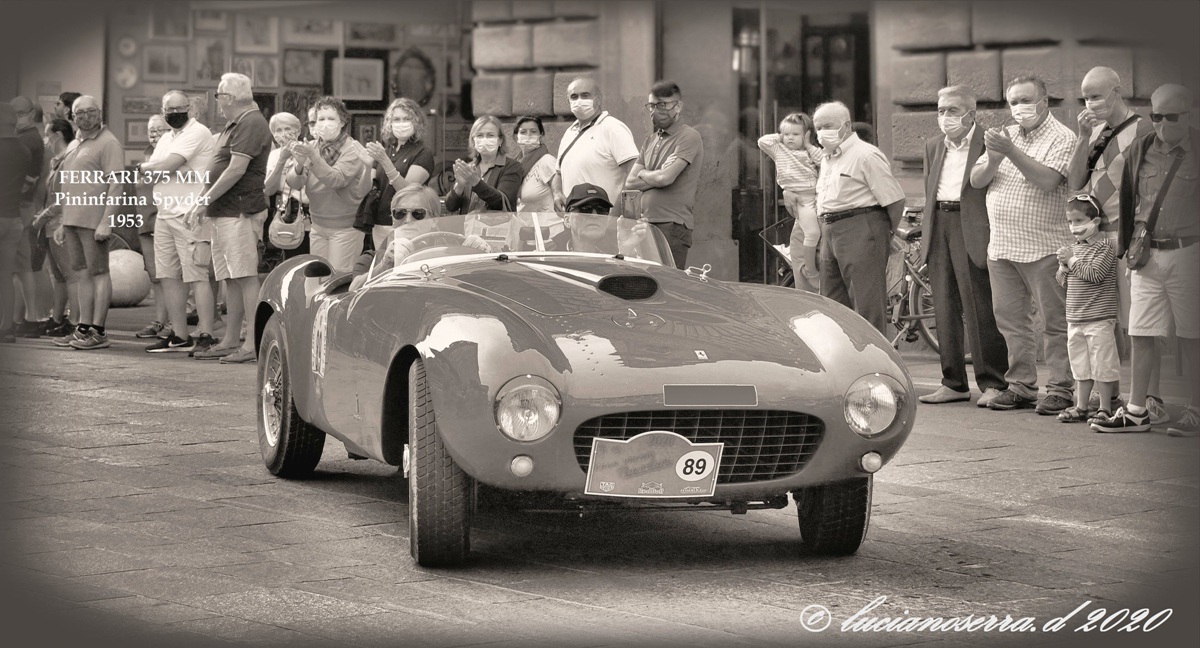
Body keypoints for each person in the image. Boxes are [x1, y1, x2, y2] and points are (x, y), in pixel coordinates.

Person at [1095, 84, 1200, 436]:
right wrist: (1126, 249)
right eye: (1156, 116)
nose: (1162, 124)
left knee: (1192, 335)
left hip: (1190, 252)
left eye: (1171, 117)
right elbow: (1128, 201)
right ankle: (1137, 410)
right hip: (1147, 254)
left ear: (1188, 115)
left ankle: (1196, 409)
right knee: (1140, 331)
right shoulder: (1141, 148)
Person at [969, 75, 1076, 414]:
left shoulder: (1063, 137)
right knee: (1011, 322)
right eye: (1013, 102)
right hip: (1003, 246)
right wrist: (995, 158)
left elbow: (1048, 181)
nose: (1019, 108)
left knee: (1055, 322)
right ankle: (1021, 386)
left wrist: (1010, 152)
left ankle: (1061, 388)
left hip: (1045, 246)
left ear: (1045, 101)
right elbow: (976, 180)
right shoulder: (1007, 135)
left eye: (1026, 100)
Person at [1065, 66, 1165, 424]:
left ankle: (1152, 397)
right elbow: (1074, 183)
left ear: (1116, 92)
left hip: (1128, 236)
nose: (1090, 103)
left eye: (1096, 96)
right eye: (1085, 98)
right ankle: (1114, 394)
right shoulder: (1095, 133)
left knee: (1138, 322)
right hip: (1097, 238)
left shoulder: (1144, 129)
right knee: (1106, 321)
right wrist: (1082, 138)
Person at [917, 86, 1009, 407]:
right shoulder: (933, 145)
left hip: (972, 226)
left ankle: (993, 382)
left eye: (952, 111)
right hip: (939, 224)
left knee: (979, 306)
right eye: (941, 110)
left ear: (971, 114)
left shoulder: (988, 141)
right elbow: (929, 189)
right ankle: (953, 382)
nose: (945, 117)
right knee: (943, 306)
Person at [184, 72, 272, 364]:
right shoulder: (236, 122)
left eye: (219, 96)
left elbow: (235, 169)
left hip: (240, 210)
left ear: (230, 98)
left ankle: (253, 343)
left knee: (244, 276)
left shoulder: (251, 122)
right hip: (224, 211)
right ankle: (231, 339)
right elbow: (220, 168)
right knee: (230, 279)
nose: (218, 102)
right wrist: (202, 203)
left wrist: (203, 202)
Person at [811, 100, 906, 334]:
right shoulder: (827, 158)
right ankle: (843, 353)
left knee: (866, 302)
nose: (822, 132)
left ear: (846, 125)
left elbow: (894, 200)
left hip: (860, 225)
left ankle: (872, 354)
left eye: (827, 126)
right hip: (830, 229)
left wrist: (885, 233)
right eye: (818, 127)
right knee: (832, 302)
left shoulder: (865, 155)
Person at [142, 90, 219, 356]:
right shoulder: (166, 138)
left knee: (197, 275)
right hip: (164, 213)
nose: (174, 113)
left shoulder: (197, 132)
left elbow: (163, 168)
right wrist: (165, 168)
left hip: (190, 214)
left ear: (190, 109)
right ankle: (179, 335)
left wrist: (161, 168)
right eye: (169, 110)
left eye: (179, 108)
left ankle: (206, 334)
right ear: (163, 111)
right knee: (168, 276)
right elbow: (154, 173)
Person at [48, 95, 123, 350]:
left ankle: (98, 331)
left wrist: (107, 221)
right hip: (72, 220)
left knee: (99, 273)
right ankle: (82, 328)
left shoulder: (108, 143)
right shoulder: (75, 143)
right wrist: (63, 222)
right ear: (72, 116)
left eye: (91, 111)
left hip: (94, 222)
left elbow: (116, 184)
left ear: (100, 113)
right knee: (81, 274)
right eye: (80, 113)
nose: (86, 117)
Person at [1053, 195, 1119, 425]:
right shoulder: (1074, 249)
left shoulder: (1105, 247)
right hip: (1075, 318)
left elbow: (1095, 275)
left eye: (1079, 221)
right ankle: (1081, 406)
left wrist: (1071, 261)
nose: (1074, 227)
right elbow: (1062, 281)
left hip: (1099, 318)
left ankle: (1105, 407)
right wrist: (1063, 266)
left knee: (1103, 364)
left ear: (1095, 221)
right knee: (1080, 365)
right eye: (1070, 222)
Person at [285, 95, 370, 273]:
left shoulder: (352, 149)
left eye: (331, 118)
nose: (325, 123)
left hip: (345, 227)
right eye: (320, 119)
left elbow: (336, 180)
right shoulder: (312, 146)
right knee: (318, 277)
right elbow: (294, 183)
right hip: (317, 225)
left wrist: (312, 157)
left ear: (342, 122)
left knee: (339, 278)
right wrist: (299, 165)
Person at [624, 80, 704, 269]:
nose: (655, 110)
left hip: (672, 224)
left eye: (662, 105)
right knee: (647, 280)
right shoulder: (650, 141)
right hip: (644, 224)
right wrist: (657, 174)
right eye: (652, 105)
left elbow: (666, 178)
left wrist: (645, 173)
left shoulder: (688, 136)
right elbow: (630, 182)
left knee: (669, 282)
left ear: (678, 106)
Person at [350, 185, 490, 290]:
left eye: (418, 214)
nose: (407, 220)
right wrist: (385, 264)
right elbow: (353, 290)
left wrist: (479, 256)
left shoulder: (452, 251)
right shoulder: (374, 258)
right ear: (392, 219)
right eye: (400, 213)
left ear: (434, 220)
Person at [552, 77, 639, 210]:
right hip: (574, 217)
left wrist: (617, 212)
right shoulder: (569, 133)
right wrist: (557, 193)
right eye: (574, 96)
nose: (579, 101)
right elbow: (558, 173)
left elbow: (634, 173)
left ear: (598, 99)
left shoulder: (613, 128)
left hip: (602, 216)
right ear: (568, 100)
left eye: (585, 95)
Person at [757, 111, 822, 287]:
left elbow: (824, 161)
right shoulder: (780, 150)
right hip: (801, 199)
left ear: (806, 135)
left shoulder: (810, 152)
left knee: (813, 232)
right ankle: (810, 270)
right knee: (812, 233)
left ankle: (810, 269)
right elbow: (763, 142)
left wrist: (808, 145)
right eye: (787, 134)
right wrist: (781, 136)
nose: (790, 138)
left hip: (815, 196)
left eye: (795, 134)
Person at [363, 98, 435, 248]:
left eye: (406, 119)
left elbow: (407, 192)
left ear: (416, 122)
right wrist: (367, 166)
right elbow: (367, 188)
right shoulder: (386, 150)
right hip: (379, 223)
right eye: (396, 119)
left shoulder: (423, 153)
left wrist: (385, 161)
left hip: (407, 222)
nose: (401, 123)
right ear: (389, 123)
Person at [446, 115, 523, 249]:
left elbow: (502, 201)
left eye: (490, 135)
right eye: (480, 135)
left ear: (500, 140)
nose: (484, 139)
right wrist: (460, 186)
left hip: (498, 239)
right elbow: (450, 206)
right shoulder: (469, 167)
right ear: (473, 140)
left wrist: (475, 182)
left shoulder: (512, 167)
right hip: (467, 240)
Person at [32, 118, 76, 338]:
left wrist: (43, 215)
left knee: (71, 275)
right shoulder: (56, 161)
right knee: (58, 276)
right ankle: (56, 317)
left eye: (47, 135)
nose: (45, 140)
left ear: (57, 135)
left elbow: (65, 198)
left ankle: (75, 321)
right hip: (51, 224)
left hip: (61, 224)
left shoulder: (68, 160)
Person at [10, 97, 48, 337]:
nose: (15, 118)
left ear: (31, 114)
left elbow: (26, 181)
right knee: (22, 268)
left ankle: (25, 319)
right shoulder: (29, 138)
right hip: (24, 208)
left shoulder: (27, 140)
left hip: (20, 209)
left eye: (20, 113)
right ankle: (24, 319)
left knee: (21, 268)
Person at [133, 114, 170, 341]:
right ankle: (159, 321)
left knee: (170, 275)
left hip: (163, 221)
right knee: (155, 276)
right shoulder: (147, 154)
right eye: (151, 130)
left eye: (159, 129)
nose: (154, 134)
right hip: (145, 223)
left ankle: (174, 322)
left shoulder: (171, 155)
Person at [0, 103, 32, 343]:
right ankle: (7, 328)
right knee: (6, 276)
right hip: (13, 219)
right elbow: (28, 184)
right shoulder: (23, 150)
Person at [549, 183, 649, 257]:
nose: (595, 215)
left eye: (601, 210)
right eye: (585, 209)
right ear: (567, 220)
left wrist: (626, 250)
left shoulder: (614, 254)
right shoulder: (548, 254)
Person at [263, 111, 310, 257]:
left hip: (309, 215)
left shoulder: (308, 150)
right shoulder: (274, 155)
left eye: (288, 129)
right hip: (286, 216)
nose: (283, 133)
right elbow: (268, 189)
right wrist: (281, 160)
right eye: (278, 130)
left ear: (298, 131)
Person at [512, 115, 561, 212]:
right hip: (524, 221)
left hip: (549, 221)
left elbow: (559, 194)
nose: (528, 135)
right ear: (516, 137)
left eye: (533, 131)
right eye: (523, 132)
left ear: (541, 136)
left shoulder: (547, 161)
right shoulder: (515, 166)